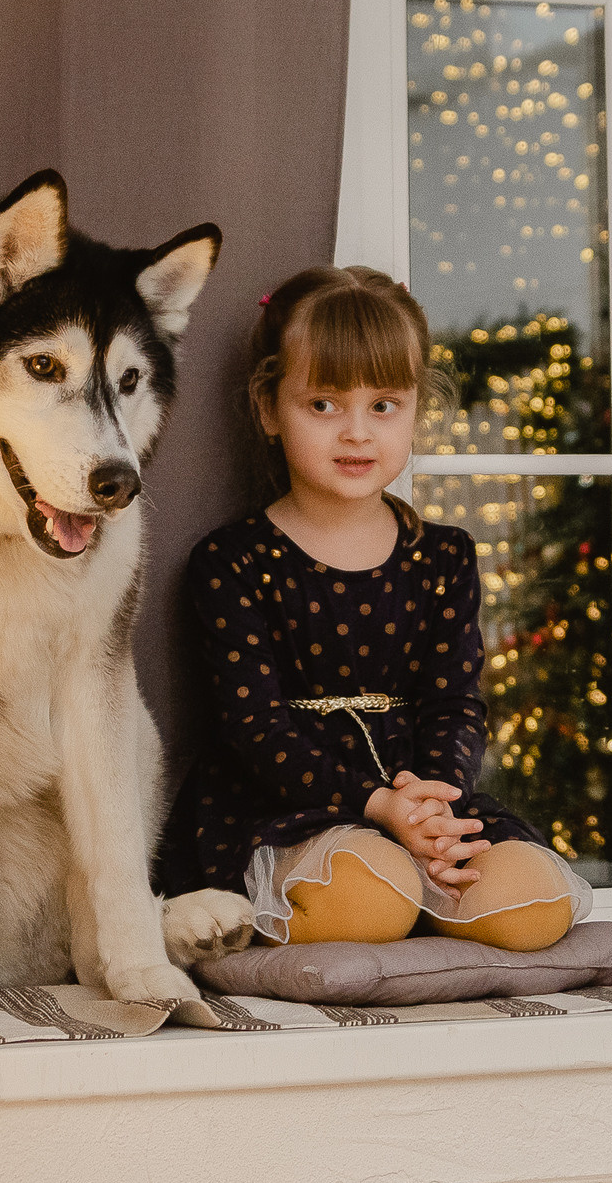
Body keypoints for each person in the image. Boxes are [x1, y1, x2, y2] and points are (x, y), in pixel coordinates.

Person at [158, 265, 589, 950]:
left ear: (416, 407)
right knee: (369, 899)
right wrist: (378, 805)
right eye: (323, 405)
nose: (356, 432)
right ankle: (383, 898)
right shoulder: (232, 562)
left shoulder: (443, 557)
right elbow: (255, 728)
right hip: (295, 805)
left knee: (536, 901)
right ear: (270, 409)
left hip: (415, 792)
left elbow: (454, 703)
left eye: (383, 405)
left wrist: (436, 809)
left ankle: (428, 882)